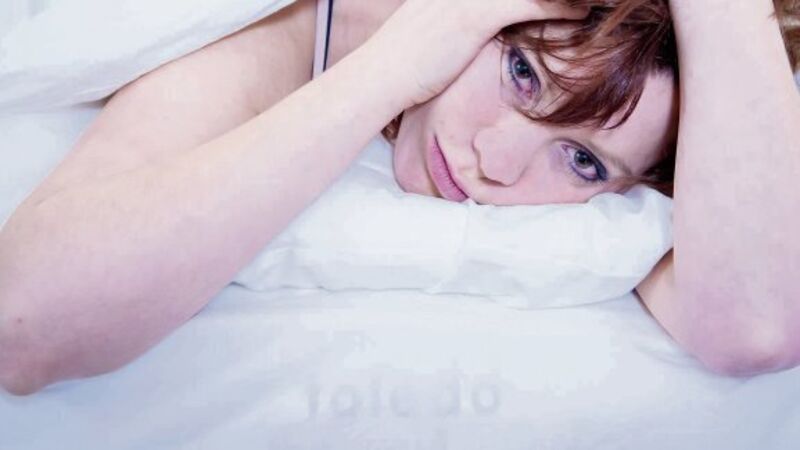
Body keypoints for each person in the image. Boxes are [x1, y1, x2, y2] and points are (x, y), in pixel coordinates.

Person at [0, 0, 798, 395]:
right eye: (521, 73)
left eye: (584, 163)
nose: (495, 162)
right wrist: (398, 59)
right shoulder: (293, 30)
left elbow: (757, 326)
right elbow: (25, 321)